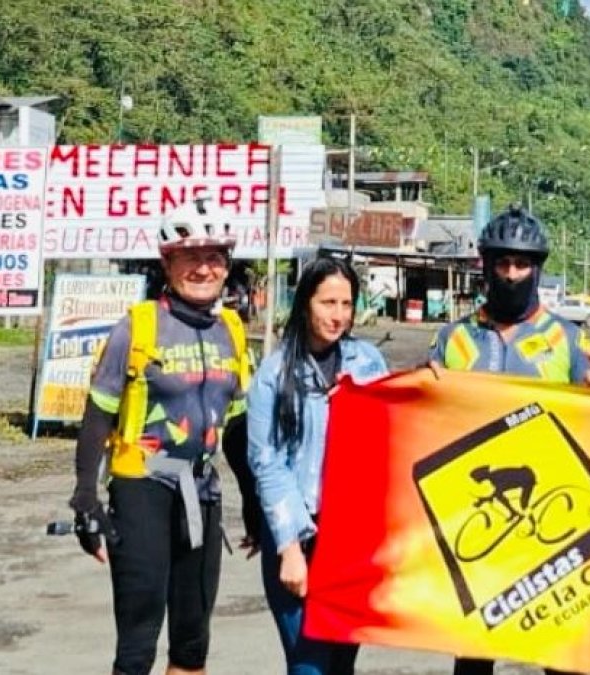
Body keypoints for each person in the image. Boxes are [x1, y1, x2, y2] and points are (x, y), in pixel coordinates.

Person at [68, 197, 252, 675]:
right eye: (190, 256)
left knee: (193, 644)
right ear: (167, 262)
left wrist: (253, 501)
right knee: (137, 645)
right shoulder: (139, 327)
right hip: (141, 487)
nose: (204, 268)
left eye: (214, 257)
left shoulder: (230, 331)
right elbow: (97, 416)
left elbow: (235, 427)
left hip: (203, 495)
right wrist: (86, 499)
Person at [428, 204, 590, 675]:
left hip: (554, 520)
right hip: (476, 514)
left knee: (561, 658)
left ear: (537, 268)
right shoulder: (452, 340)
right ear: (485, 267)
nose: (511, 274)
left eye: (522, 264)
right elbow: (424, 421)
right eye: (502, 264)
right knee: (473, 656)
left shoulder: (570, 340)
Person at [243, 256, 389, 674]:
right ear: (305, 302)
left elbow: (394, 428)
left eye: (346, 304)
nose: (338, 315)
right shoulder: (273, 374)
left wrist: (429, 384)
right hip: (300, 535)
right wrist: (290, 549)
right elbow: (266, 464)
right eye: (328, 303)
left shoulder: (367, 362)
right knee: (309, 664)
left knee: (342, 664)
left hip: (354, 539)